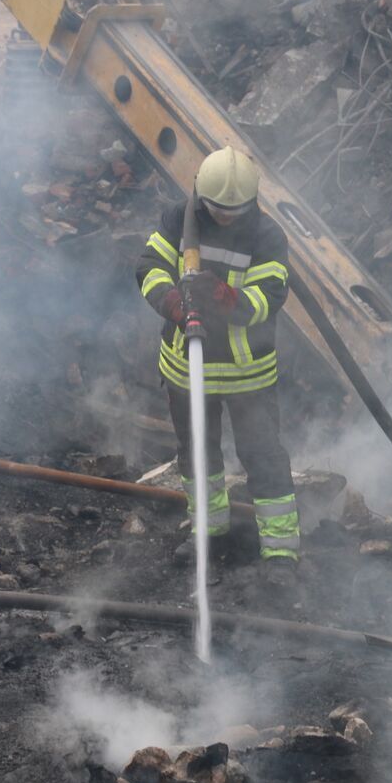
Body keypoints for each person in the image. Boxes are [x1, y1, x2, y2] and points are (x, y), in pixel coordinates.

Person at [135, 146, 299, 584]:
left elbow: (270, 296)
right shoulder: (177, 220)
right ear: (200, 197)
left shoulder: (266, 236)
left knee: (264, 458)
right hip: (187, 371)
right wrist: (172, 302)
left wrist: (228, 299)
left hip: (249, 376)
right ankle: (208, 534)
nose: (225, 217)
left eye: (235, 211)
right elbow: (149, 266)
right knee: (197, 456)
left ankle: (281, 553)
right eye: (216, 210)